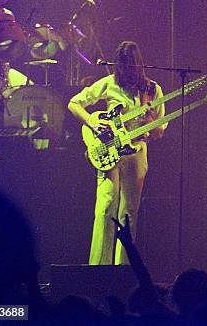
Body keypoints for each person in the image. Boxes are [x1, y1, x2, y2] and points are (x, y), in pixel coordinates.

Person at [68, 41, 166, 265]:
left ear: (138, 65)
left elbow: (159, 132)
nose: (126, 72)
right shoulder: (109, 83)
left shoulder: (152, 90)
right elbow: (74, 103)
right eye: (122, 67)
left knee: (129, 212)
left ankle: (123, 269)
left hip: (136, 153)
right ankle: (97, 268)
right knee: (105, 206)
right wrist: (92, 122)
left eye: (130, 66)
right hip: (109, 152)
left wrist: (150, 117)